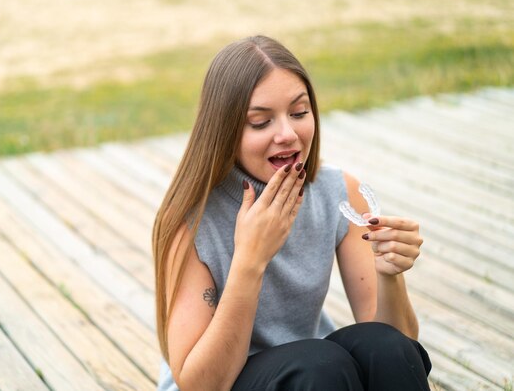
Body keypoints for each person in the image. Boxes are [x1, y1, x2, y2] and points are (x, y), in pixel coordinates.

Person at [152, 35, 431, 391]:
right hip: (238, 379)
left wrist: (390, 274)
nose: (288, 134)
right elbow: (201, 384)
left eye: (299, 113)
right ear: (224, 131)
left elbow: (401, 349)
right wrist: (250, 261)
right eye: (260, 122)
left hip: (316, 373)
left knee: (386, 348)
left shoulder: (337, 193)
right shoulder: (190, 220)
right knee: (317, 366)